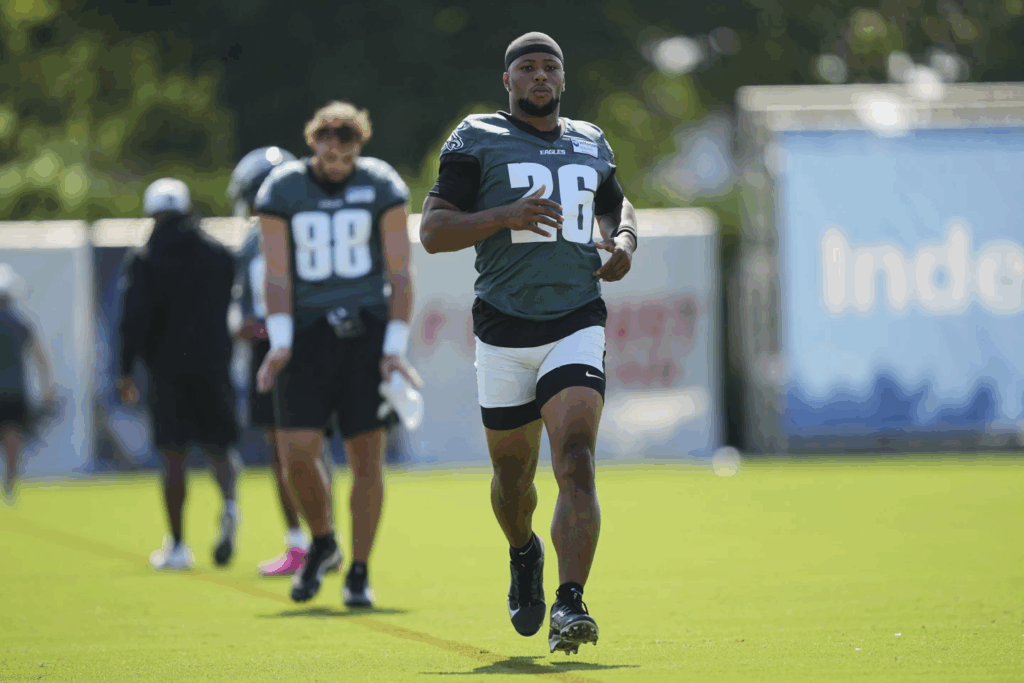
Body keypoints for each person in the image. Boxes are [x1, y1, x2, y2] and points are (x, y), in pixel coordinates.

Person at [419, 32, 638, 655]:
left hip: (576, 317)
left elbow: (617, 207)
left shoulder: (590, 139)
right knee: (513, 479)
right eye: (528, 67)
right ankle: (524, 551)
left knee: (576, 458)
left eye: (551, 67)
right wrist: (504, 215)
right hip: (504, 325)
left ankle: (571, 602)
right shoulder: (478, 136)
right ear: (508, 81)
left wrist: (623, 245)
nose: (541, 76)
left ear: (563, 80)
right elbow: (434, 230)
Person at [254, 101, 420, 607]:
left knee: (366, 457)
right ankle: (324, 541)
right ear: (314, 143)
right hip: (305, 334)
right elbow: (277, 272)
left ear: (358, 148)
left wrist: (393, 348)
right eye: (329, 152)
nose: (336, 163)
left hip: (364, 334)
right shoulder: (282, 188)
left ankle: (360, 572)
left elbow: (399, 272)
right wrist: (280, 341)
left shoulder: (382, 183)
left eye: (346, 154)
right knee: (297, 452)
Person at [117, 178, 242, 571]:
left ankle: (177, 544)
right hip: (214, 363)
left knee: (173, 455)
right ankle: (229, 505)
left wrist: (124, 371)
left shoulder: (145, 257)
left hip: (166, 369)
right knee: (220, 447)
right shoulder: (218, 253)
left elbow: (132, 320)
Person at [227, 146, 319, 577]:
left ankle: (307, 543)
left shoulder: (256, 242)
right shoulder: (309, 227)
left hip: (278, 348)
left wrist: (255, 327)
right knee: (304, 451)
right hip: (309, 343)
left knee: (287, 452)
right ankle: (320, 540)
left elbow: (251, 314)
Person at [0, 265, 55, 504]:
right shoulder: (20, 323)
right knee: (13, 440)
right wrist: (47, 388)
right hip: (14, 391)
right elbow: (40, 356)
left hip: (9, 390)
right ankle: (10, 485)